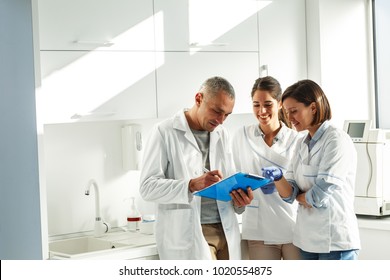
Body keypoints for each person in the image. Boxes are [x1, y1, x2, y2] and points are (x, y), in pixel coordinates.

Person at [139, 76, 253, 260]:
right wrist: (191, 185)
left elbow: (228, 182)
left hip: (226, 229)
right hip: (191, 232)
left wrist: (239, 200)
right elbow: (147, 188)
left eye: (227, 114)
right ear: (199, 99)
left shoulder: (222, 134)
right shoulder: (164, 132)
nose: (221, 120)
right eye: (217, 111)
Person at [262, 79, 361, 260]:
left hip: (335, 241)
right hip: (306, 241)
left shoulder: (336, 140)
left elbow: (320, 194)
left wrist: (301, 196)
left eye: (294, 111)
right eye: (286, 112)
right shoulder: (301, 143)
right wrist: (278, 179)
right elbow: (289, 194)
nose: (289, 118)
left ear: (313, 108)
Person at [231, 76, 302, 260]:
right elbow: (235, 176)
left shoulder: (296, 140)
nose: (261, 111)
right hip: (258, 228)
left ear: (279, 104)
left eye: (268, 104)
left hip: (292, 225)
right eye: (256, 104)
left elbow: (303, 185)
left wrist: (280, 183)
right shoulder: (242, 136)